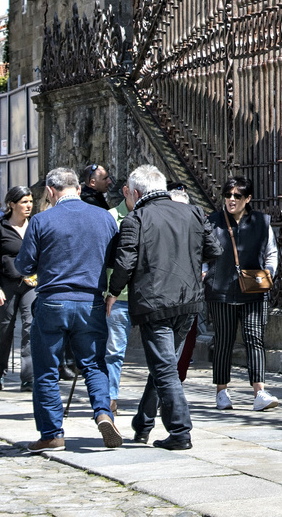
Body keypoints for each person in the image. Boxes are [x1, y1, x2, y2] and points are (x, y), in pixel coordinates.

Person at [107, 164, 217, 450]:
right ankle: (142, 423)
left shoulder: (136, 219)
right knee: (164, 364)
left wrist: (112, 292)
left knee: (165, 368)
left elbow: (124, 262)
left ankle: (180, 431)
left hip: (155, 303)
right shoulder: (192, 211)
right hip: (188, 300)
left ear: (134, 192)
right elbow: (213, 249)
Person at [13, 167, 121, 452]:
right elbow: (115, 260)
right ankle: (102, 413)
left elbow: (23, 266)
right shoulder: (104, 218)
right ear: (79, 188)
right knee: (94, 364)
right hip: (91, 300)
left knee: (47, 369)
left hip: (53, 300)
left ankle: (52, 433)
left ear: (50, 191)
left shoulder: (41, 220)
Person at [203, 176, 279, 411]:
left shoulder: (261, 222)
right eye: (228, 195)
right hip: (221, 290)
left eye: (237, 196)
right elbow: (201, 252)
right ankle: (221, 391)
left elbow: (272, 252)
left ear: (248, 198)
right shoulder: (212, 222)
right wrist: (204, 273)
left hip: (254, 289)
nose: (231, 199)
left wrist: (268, 275)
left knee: (254, 338)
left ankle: (259, 392)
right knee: (223, 340)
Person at [80, 163, 130, 416]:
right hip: (115, 293)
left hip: (142, 292)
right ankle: (109, 398)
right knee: (113, 350)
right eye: (105, 178)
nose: (108, 182)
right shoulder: (104, 212)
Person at [0, 186, 36, 392]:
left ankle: (29, 377)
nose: (29, 206)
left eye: (30, 201)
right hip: (5, 285)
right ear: (12, 204)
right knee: (4, 328)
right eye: (24, 202)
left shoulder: (35, 225)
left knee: (31, 328)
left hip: (31, 284)